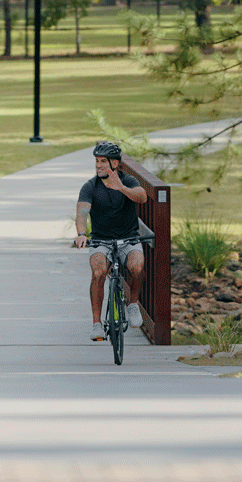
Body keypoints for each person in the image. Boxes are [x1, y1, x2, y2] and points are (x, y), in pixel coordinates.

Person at [73, 141, 148, 342]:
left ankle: (132, 304)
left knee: (137, 266)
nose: (98, 165)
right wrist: (81, 233)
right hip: (100, 240)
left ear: (115, 163)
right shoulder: (90, 186)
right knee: (98, 272)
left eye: (103, 161)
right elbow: (82, 213)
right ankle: (97, 324)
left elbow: (142, 198)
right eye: (97, 161)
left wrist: (121, 188)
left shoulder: (128, 180)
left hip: (129, 238)